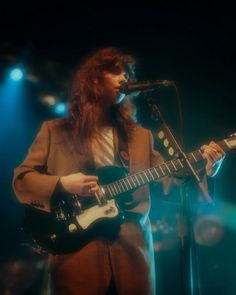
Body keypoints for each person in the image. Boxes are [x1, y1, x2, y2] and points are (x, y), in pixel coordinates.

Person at [12, 47, 225, 295]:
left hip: (133, 256)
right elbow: (22, 180)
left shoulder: (141, 137)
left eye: (126, 74)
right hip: (76, 251)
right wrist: (63, 183)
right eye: (115, 72)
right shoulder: (55, 130)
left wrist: (208, 169)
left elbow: (172, 182)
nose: (124, 79)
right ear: (93, 79)